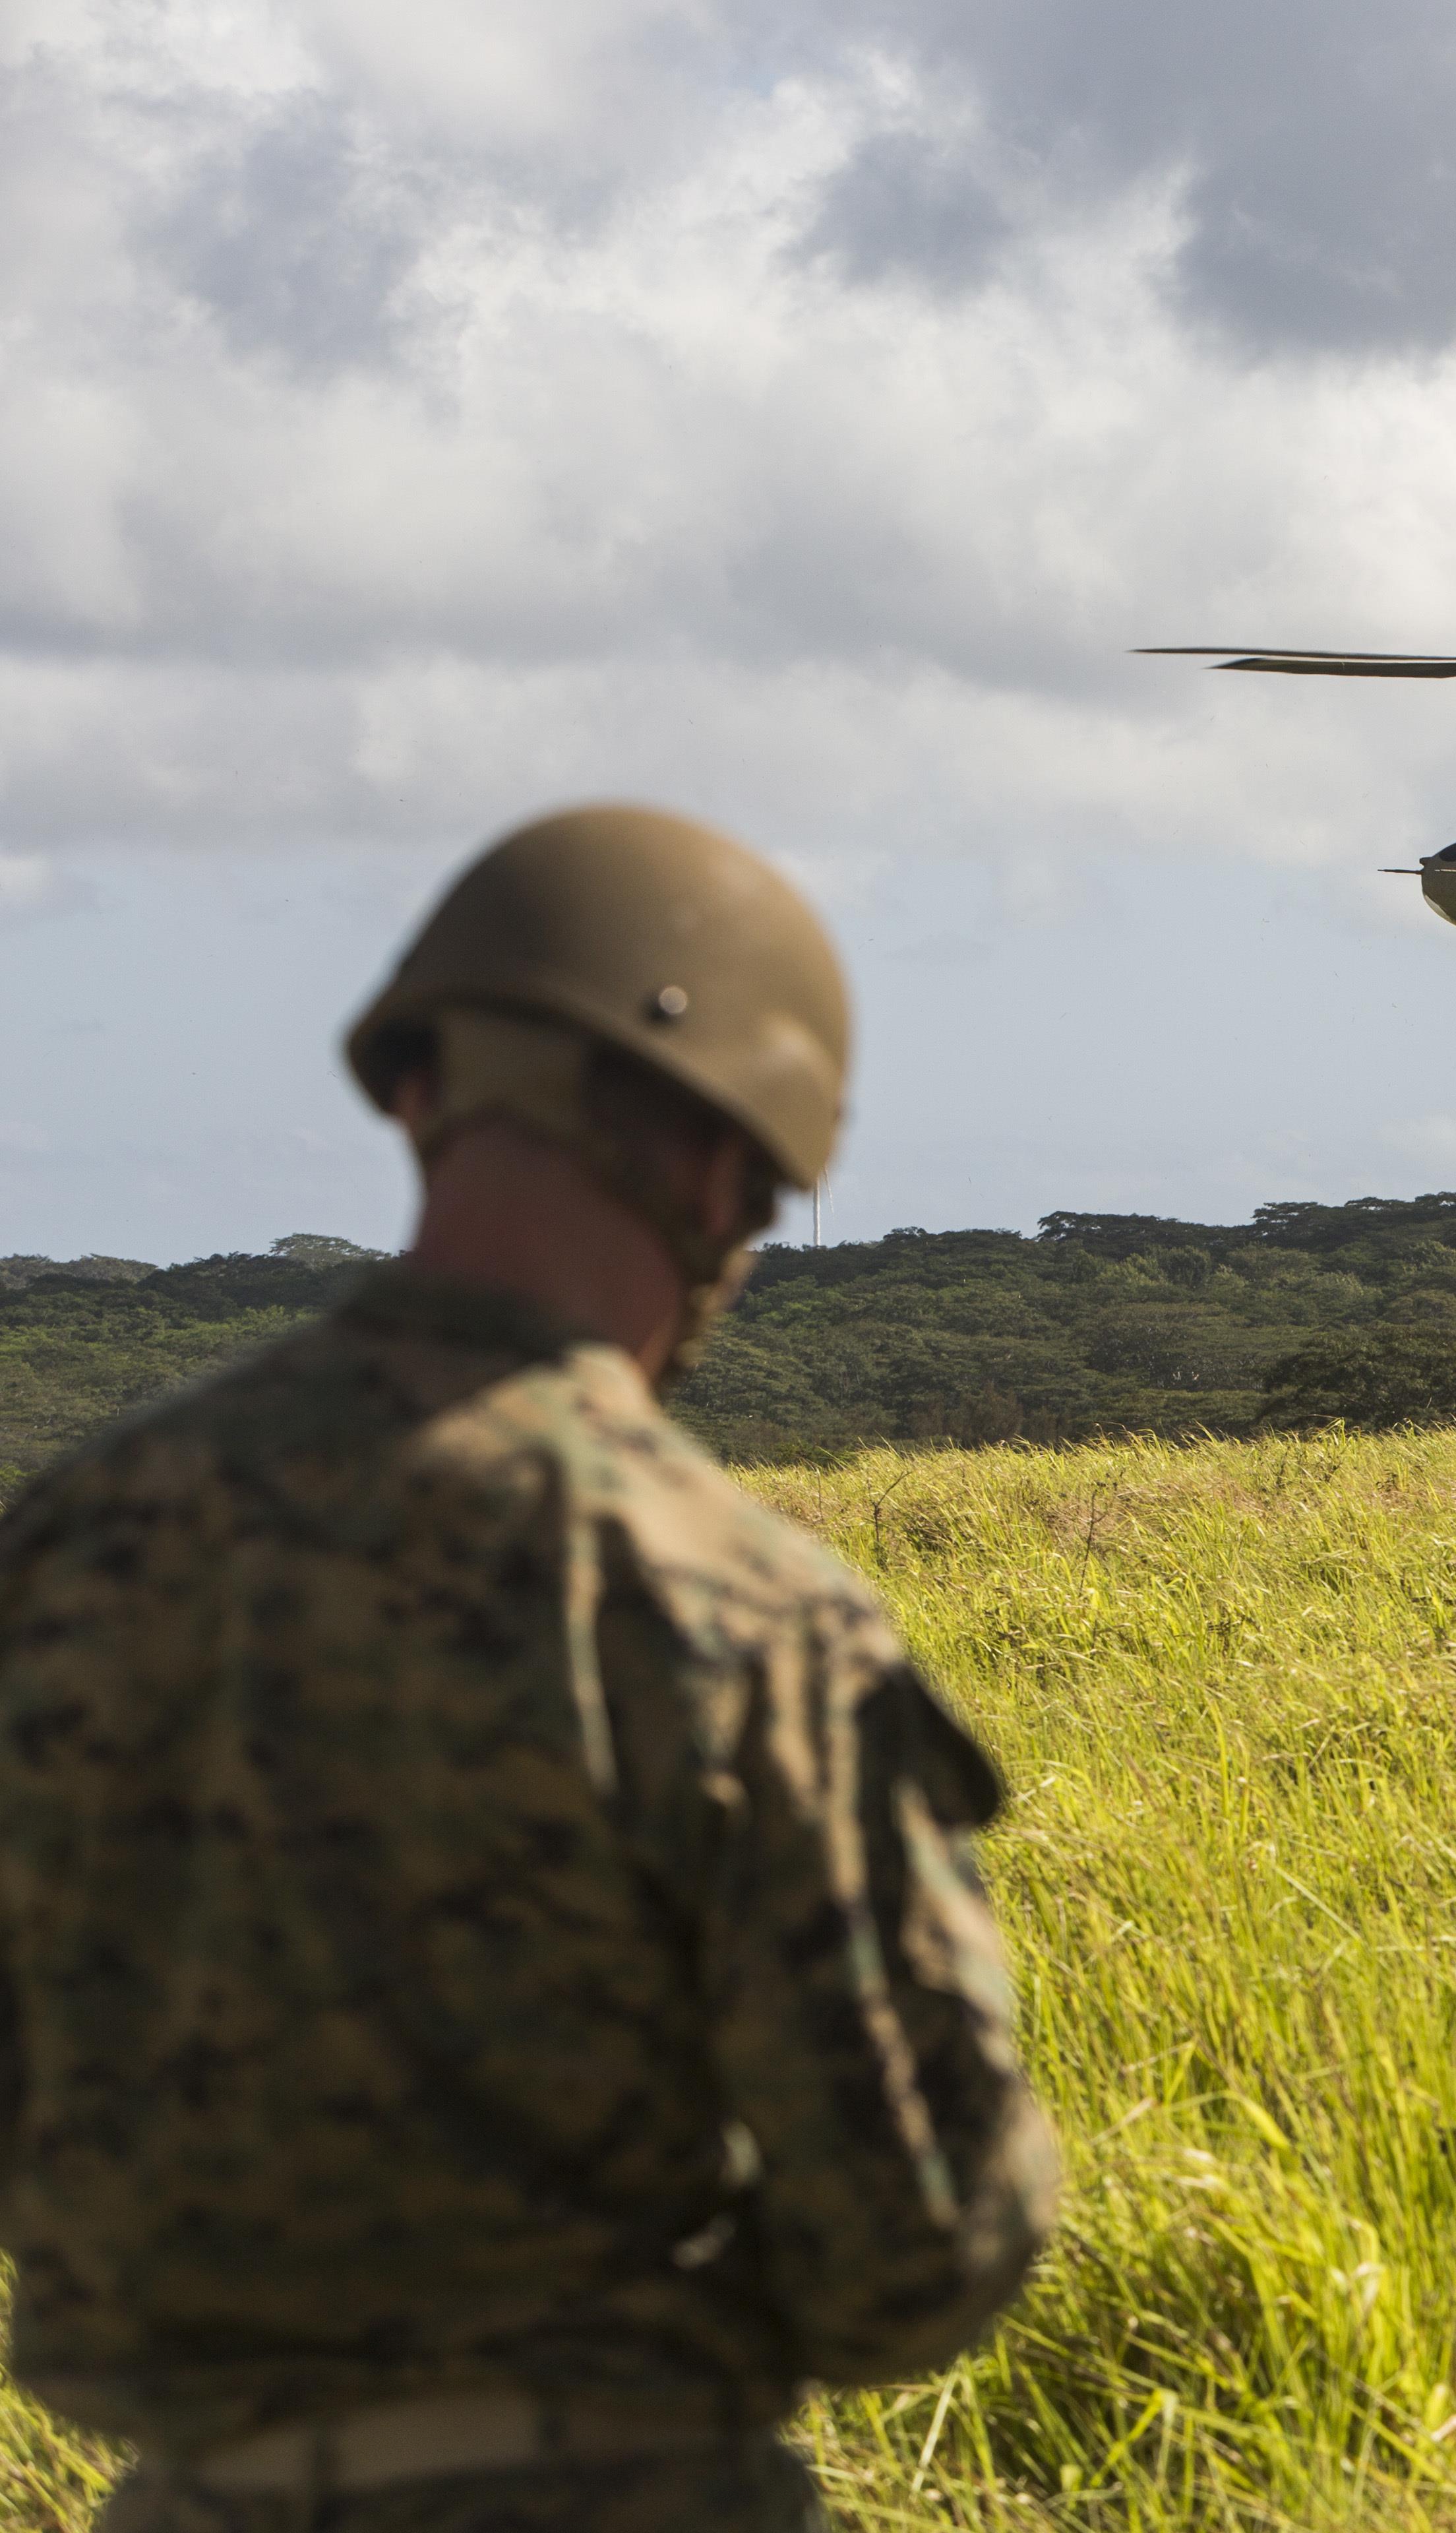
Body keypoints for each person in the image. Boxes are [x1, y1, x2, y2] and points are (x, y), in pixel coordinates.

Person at [0, 805, 1060, 2530]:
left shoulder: (68, 1546)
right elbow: (922, 2244)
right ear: (732, 1166)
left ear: (422, 1096)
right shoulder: (731, 1611)